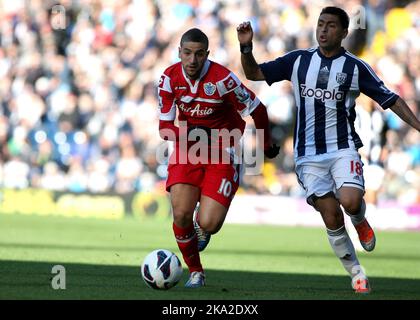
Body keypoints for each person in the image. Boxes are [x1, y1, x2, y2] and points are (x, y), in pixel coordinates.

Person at [237, 6, 420, 294]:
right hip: (308, 156)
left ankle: (359, 219)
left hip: (342, 148)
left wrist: (418, 125)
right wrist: (246, 47)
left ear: (344, 33)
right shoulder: (298, 61)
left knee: (349, 201)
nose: (323, 30)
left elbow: (391, 99)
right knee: (331, 216)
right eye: (320, 24)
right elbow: (255, 73)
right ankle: (356, 273)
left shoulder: (355, 68)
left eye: (331, 25)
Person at [158, 28, 279, 288]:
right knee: (180, 215)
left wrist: (266, 144)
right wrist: (194, 134)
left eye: (199, 54)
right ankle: (196, 272)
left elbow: (258, 109)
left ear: (207, 55)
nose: (192, 61)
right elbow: (165, 129)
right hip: (188, 150)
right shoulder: (168, 79)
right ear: (179, 52)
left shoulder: (223, 80)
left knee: (208, 224)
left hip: (222, 152)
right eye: (187, 53)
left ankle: (204, 216)